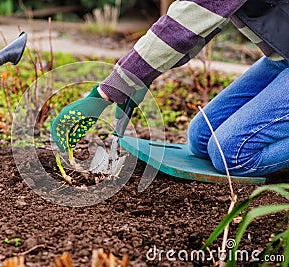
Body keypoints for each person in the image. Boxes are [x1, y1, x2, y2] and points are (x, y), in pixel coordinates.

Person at [51, 0, 289, 177]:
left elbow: (182, 28)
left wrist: (103, 94)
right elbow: (200, 27)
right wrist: (141, 76)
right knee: (200, 137)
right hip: (282, 58)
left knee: (231, 154)